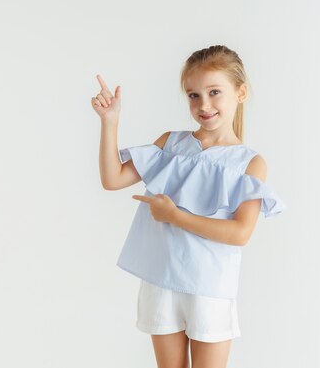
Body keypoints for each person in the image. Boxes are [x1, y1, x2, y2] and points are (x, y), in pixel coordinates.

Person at [91, 44, 286, 368]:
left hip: (209, 288)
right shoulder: (172, 144)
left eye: (214, 92)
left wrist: (174, 216)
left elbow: (240, 233)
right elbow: (112, 178)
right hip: (162, 281)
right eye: (193, 95)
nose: (203, 104)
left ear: (240, 93)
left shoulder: (248, 163)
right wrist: (110, 121)